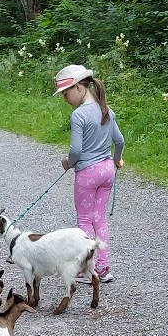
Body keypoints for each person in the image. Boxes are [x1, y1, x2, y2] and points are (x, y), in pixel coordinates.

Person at [54, 64, 125, 283]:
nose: (65, 98)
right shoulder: (106, 110)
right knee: (99, 219)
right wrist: (116, 159)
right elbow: (119, 141)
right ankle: (103, 267)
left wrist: (68, 163)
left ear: (78, 88)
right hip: (106, 170)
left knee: (84, 220)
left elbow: (76, 150)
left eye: (66, 93)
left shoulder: (79, 115)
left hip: (87, 172)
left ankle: (87, 269)